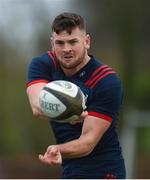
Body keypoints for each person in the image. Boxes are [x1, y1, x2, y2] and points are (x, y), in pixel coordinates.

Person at [26, 12, 126, 179]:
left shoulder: (106, 81)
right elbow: (37, 106)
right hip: (69, 169)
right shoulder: (43, 64)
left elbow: (87, 143)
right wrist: (68, 112)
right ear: (52, 43)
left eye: (73, 42)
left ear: (86, 42)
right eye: (60, 43)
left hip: (103, 171)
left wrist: (58, 149)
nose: (66, 49)